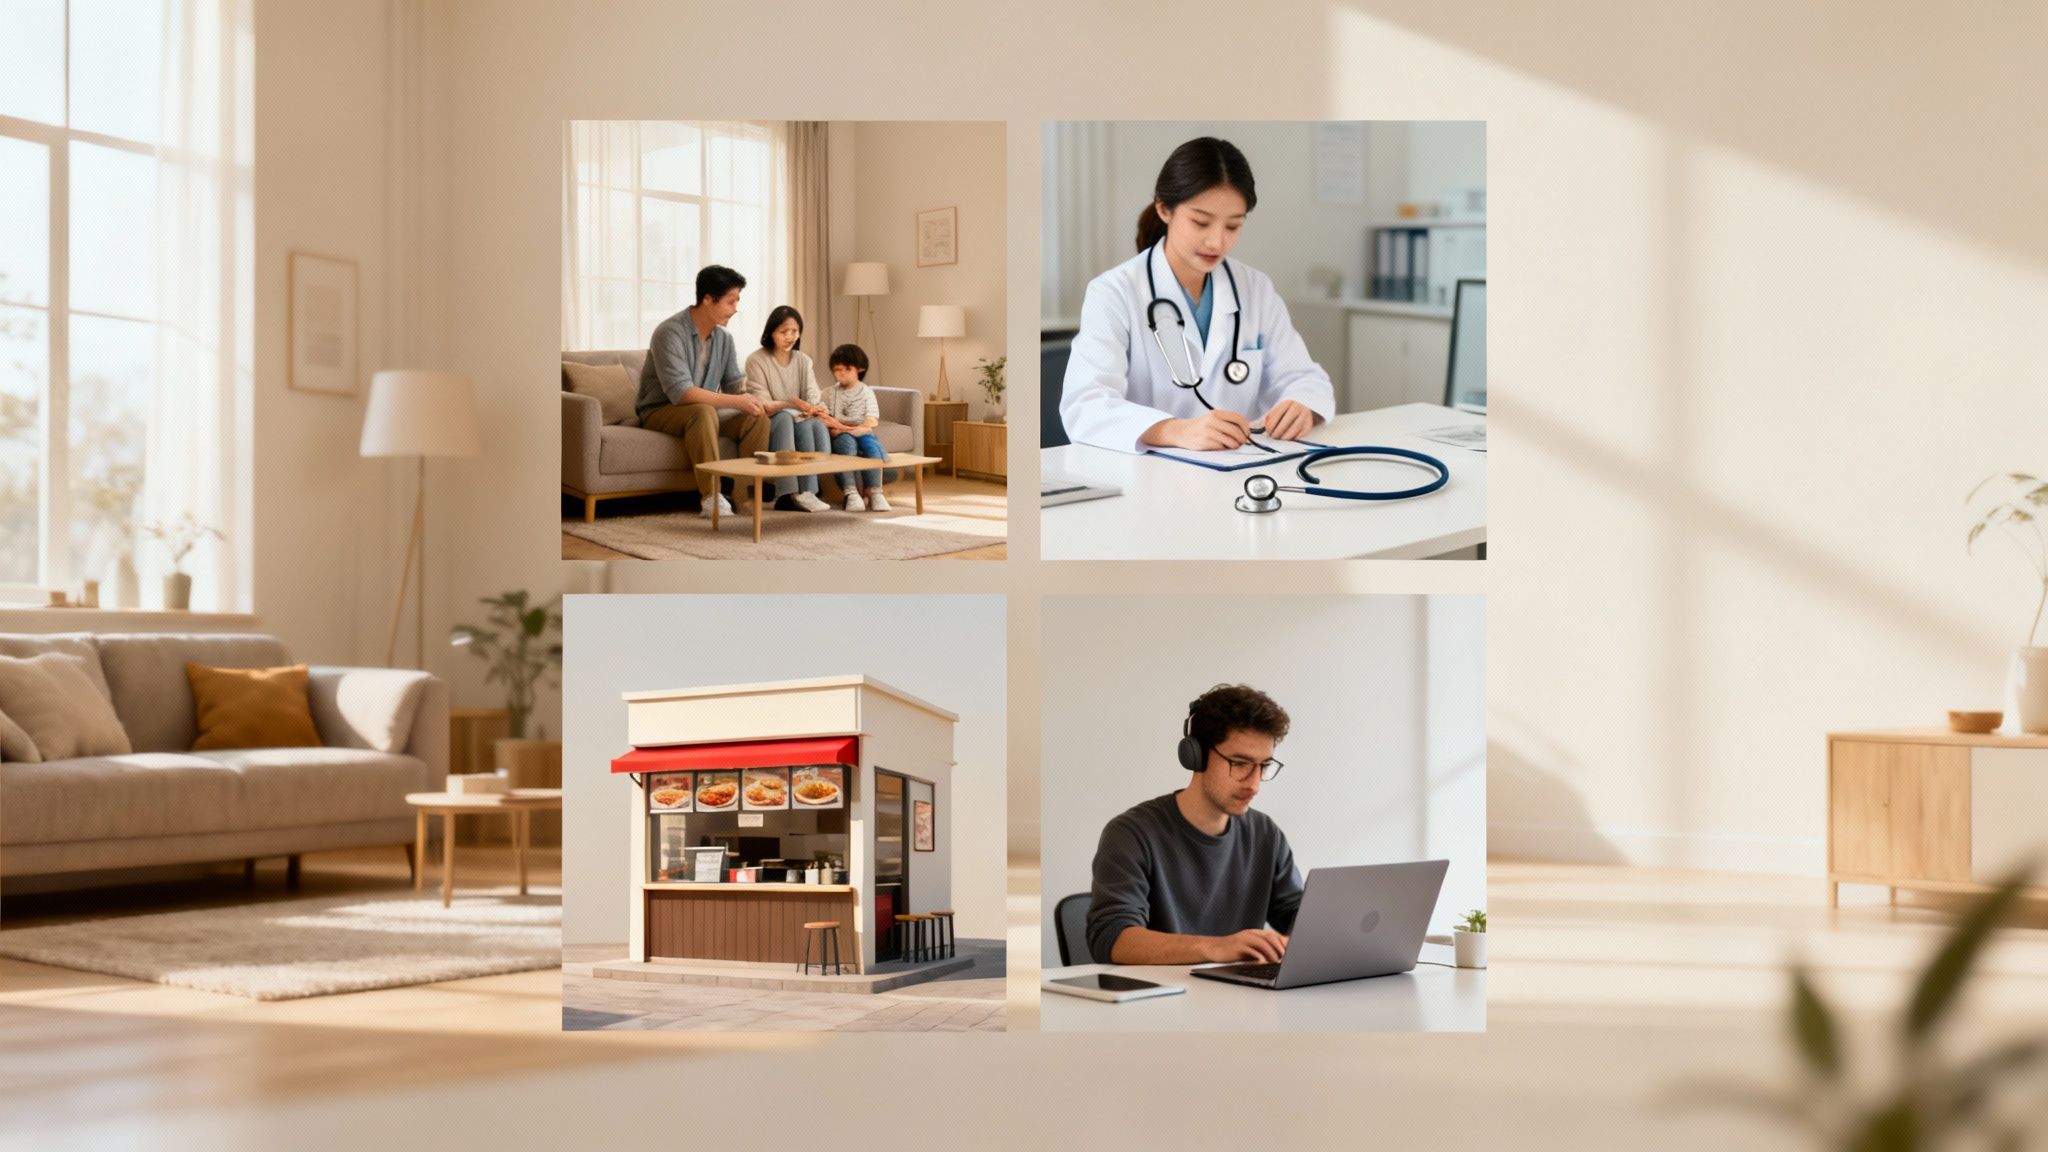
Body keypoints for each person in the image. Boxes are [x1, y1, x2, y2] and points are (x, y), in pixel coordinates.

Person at [1059, 137, 1336, 454]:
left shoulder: (1255, 289)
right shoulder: (1114, 292)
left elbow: (1305, 378)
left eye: (1233, 226)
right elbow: (1085, 405)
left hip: (1240, 468)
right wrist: (1175, 430)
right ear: (1164, 209)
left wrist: (1301, 404)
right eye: (1201, 222)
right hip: (1148, 477)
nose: (1216, 242)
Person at [1085, 683, 1304, 966]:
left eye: (1263, 766)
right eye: (1239, 763)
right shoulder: (1131, 834)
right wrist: (1217, 948)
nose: (1254, 784)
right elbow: (1112, 939)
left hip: (1241, 1001)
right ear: (1195, 755)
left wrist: (1295, 942)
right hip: (1159, 1005)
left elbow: (1299, 913)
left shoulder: (1266, 835)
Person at [634, 265, 774, 517]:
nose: (735, 309)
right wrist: (736, 400)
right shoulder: (669, 332)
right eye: (731, 302)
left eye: (737, 302)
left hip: (704, 412)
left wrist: (757, 401)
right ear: (708, 299)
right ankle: (711, 496)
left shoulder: (724, 339)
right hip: (661, 411)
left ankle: (746, 497)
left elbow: (735, 386)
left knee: (757, 418)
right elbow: (681, 393)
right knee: (702, 412)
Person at [742, 306, 832, 513]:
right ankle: (786, 493)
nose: (790, 336)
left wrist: (812, 408)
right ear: (771, 332)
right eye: (784, 332)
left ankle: (808, 493)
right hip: (771, 420)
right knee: (784, 417)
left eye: (795, 331)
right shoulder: (756, 360)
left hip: (800, 418)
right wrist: (792, 402)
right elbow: (763, 404)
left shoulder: (803, 360)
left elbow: (813, 396)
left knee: (808, 421)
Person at [821, 344, 890, 513]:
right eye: (837, 369)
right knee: (846, 444)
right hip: (841, 434)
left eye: (847, 369)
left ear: (859, 369)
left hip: (860, 430)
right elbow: (824, 416)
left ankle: (875, 492)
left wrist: (842, 427)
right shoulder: (829, 393)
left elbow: (870, 421)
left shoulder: (866, 392)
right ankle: (851, 492)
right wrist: (839, 428)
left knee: (872, 445)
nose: (841, 373)